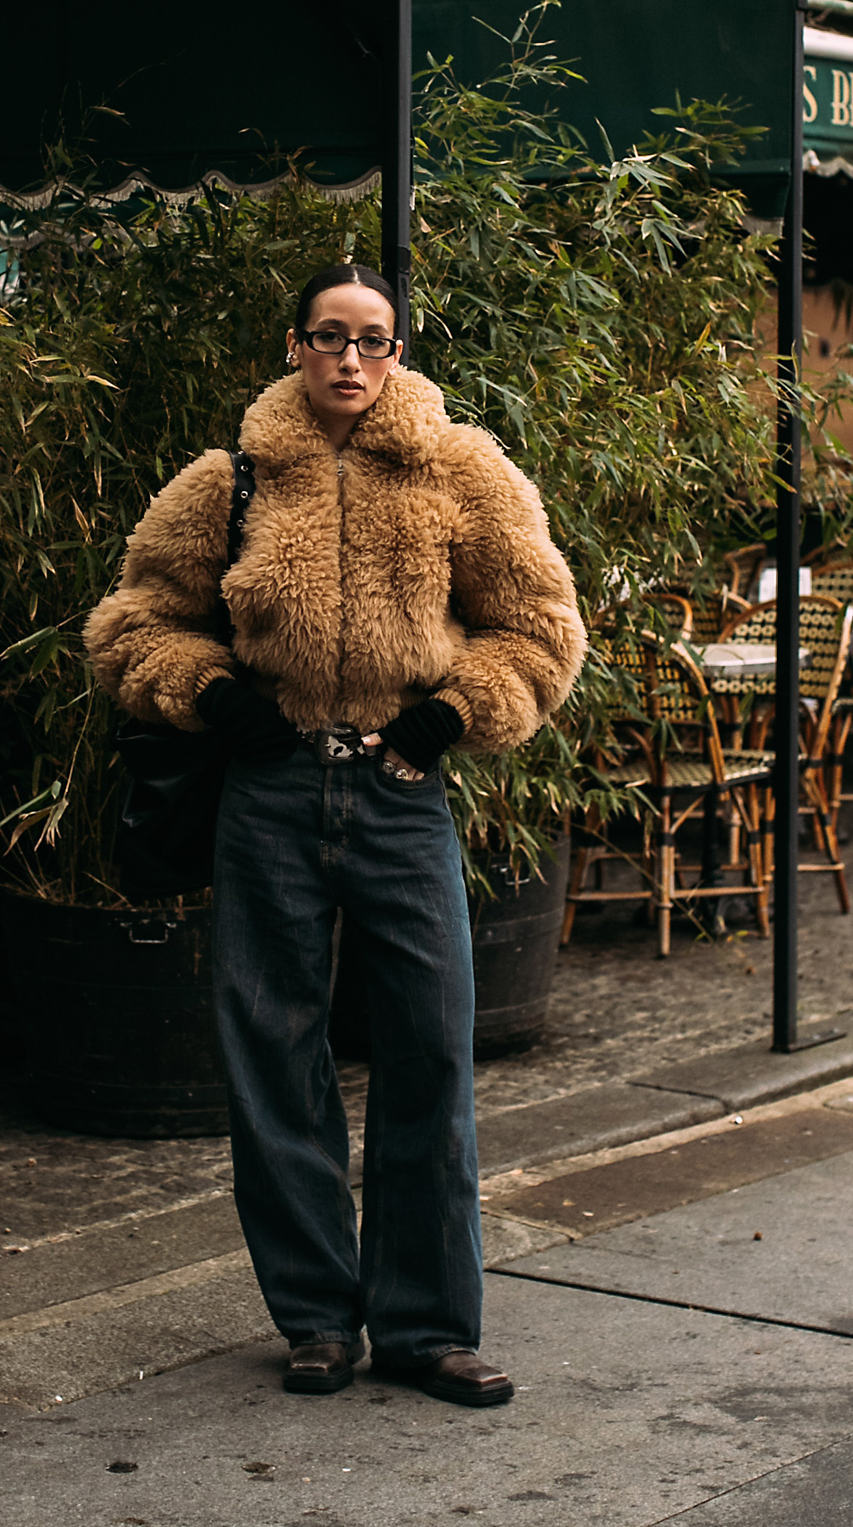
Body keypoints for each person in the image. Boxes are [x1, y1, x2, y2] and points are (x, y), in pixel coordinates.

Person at [86, 262, 586, 1408]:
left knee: (428, 1048)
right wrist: (217, 697)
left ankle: (424, 1327)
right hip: (268, 794)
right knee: (271, 1054)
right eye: (328, 337)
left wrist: (447, 715)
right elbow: (129, 624)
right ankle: (316, 1315)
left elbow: (542, 624)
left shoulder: (463, 468)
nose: (349, 359)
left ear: (398, 351)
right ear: (295, 346)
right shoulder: (232, 478)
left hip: (400, 791)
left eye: (371, 339)